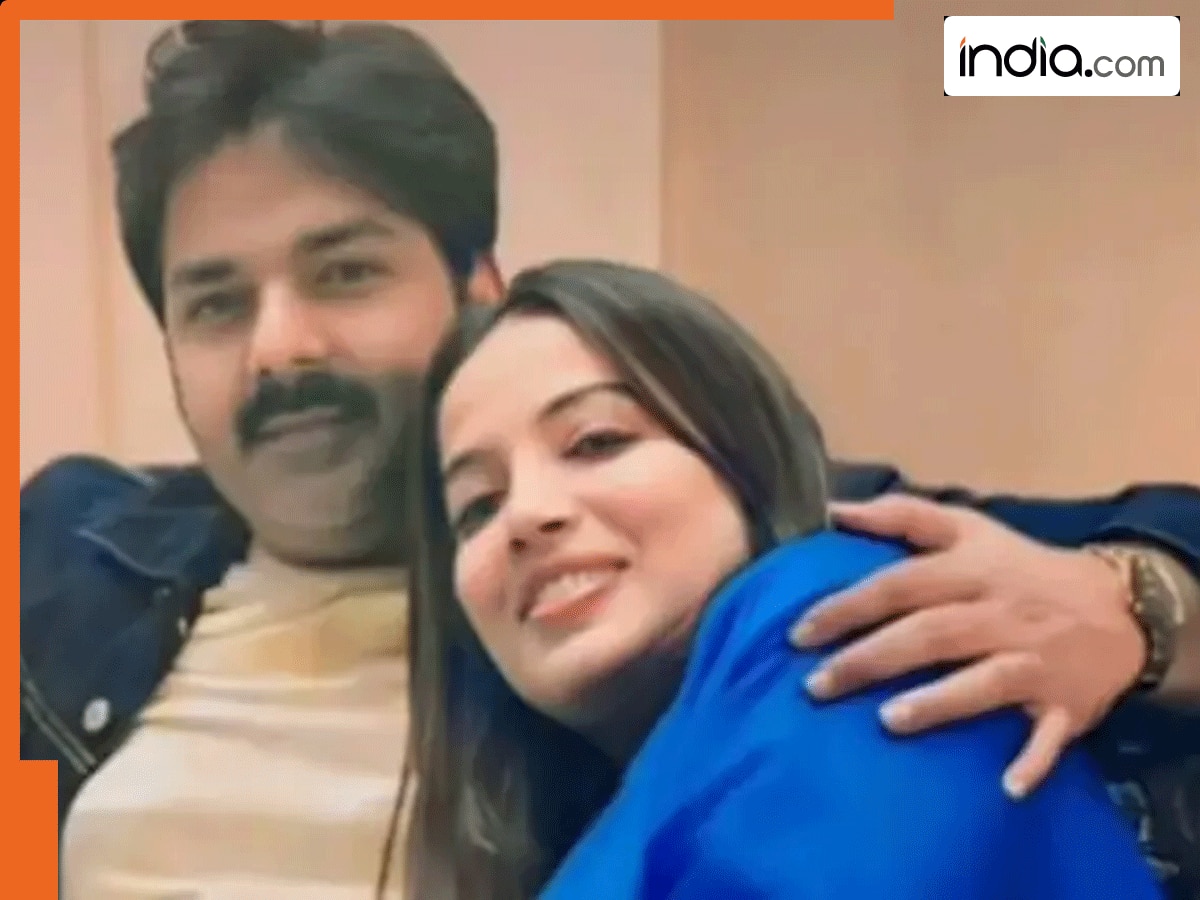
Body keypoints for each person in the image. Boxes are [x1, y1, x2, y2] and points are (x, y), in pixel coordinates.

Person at [17, 19, 1200, 898]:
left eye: (346, 271)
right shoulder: (70, 566)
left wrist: (1134, 605)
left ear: (477, 292)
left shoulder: (729, 567)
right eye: (217, 304)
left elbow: (1142, 552)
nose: (281, 348)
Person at [403, 258, 1163, 900]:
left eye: (597, 441)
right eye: (478, 506)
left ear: (741, 458)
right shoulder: (613, 806)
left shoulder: (850, 618)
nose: (525, 514)